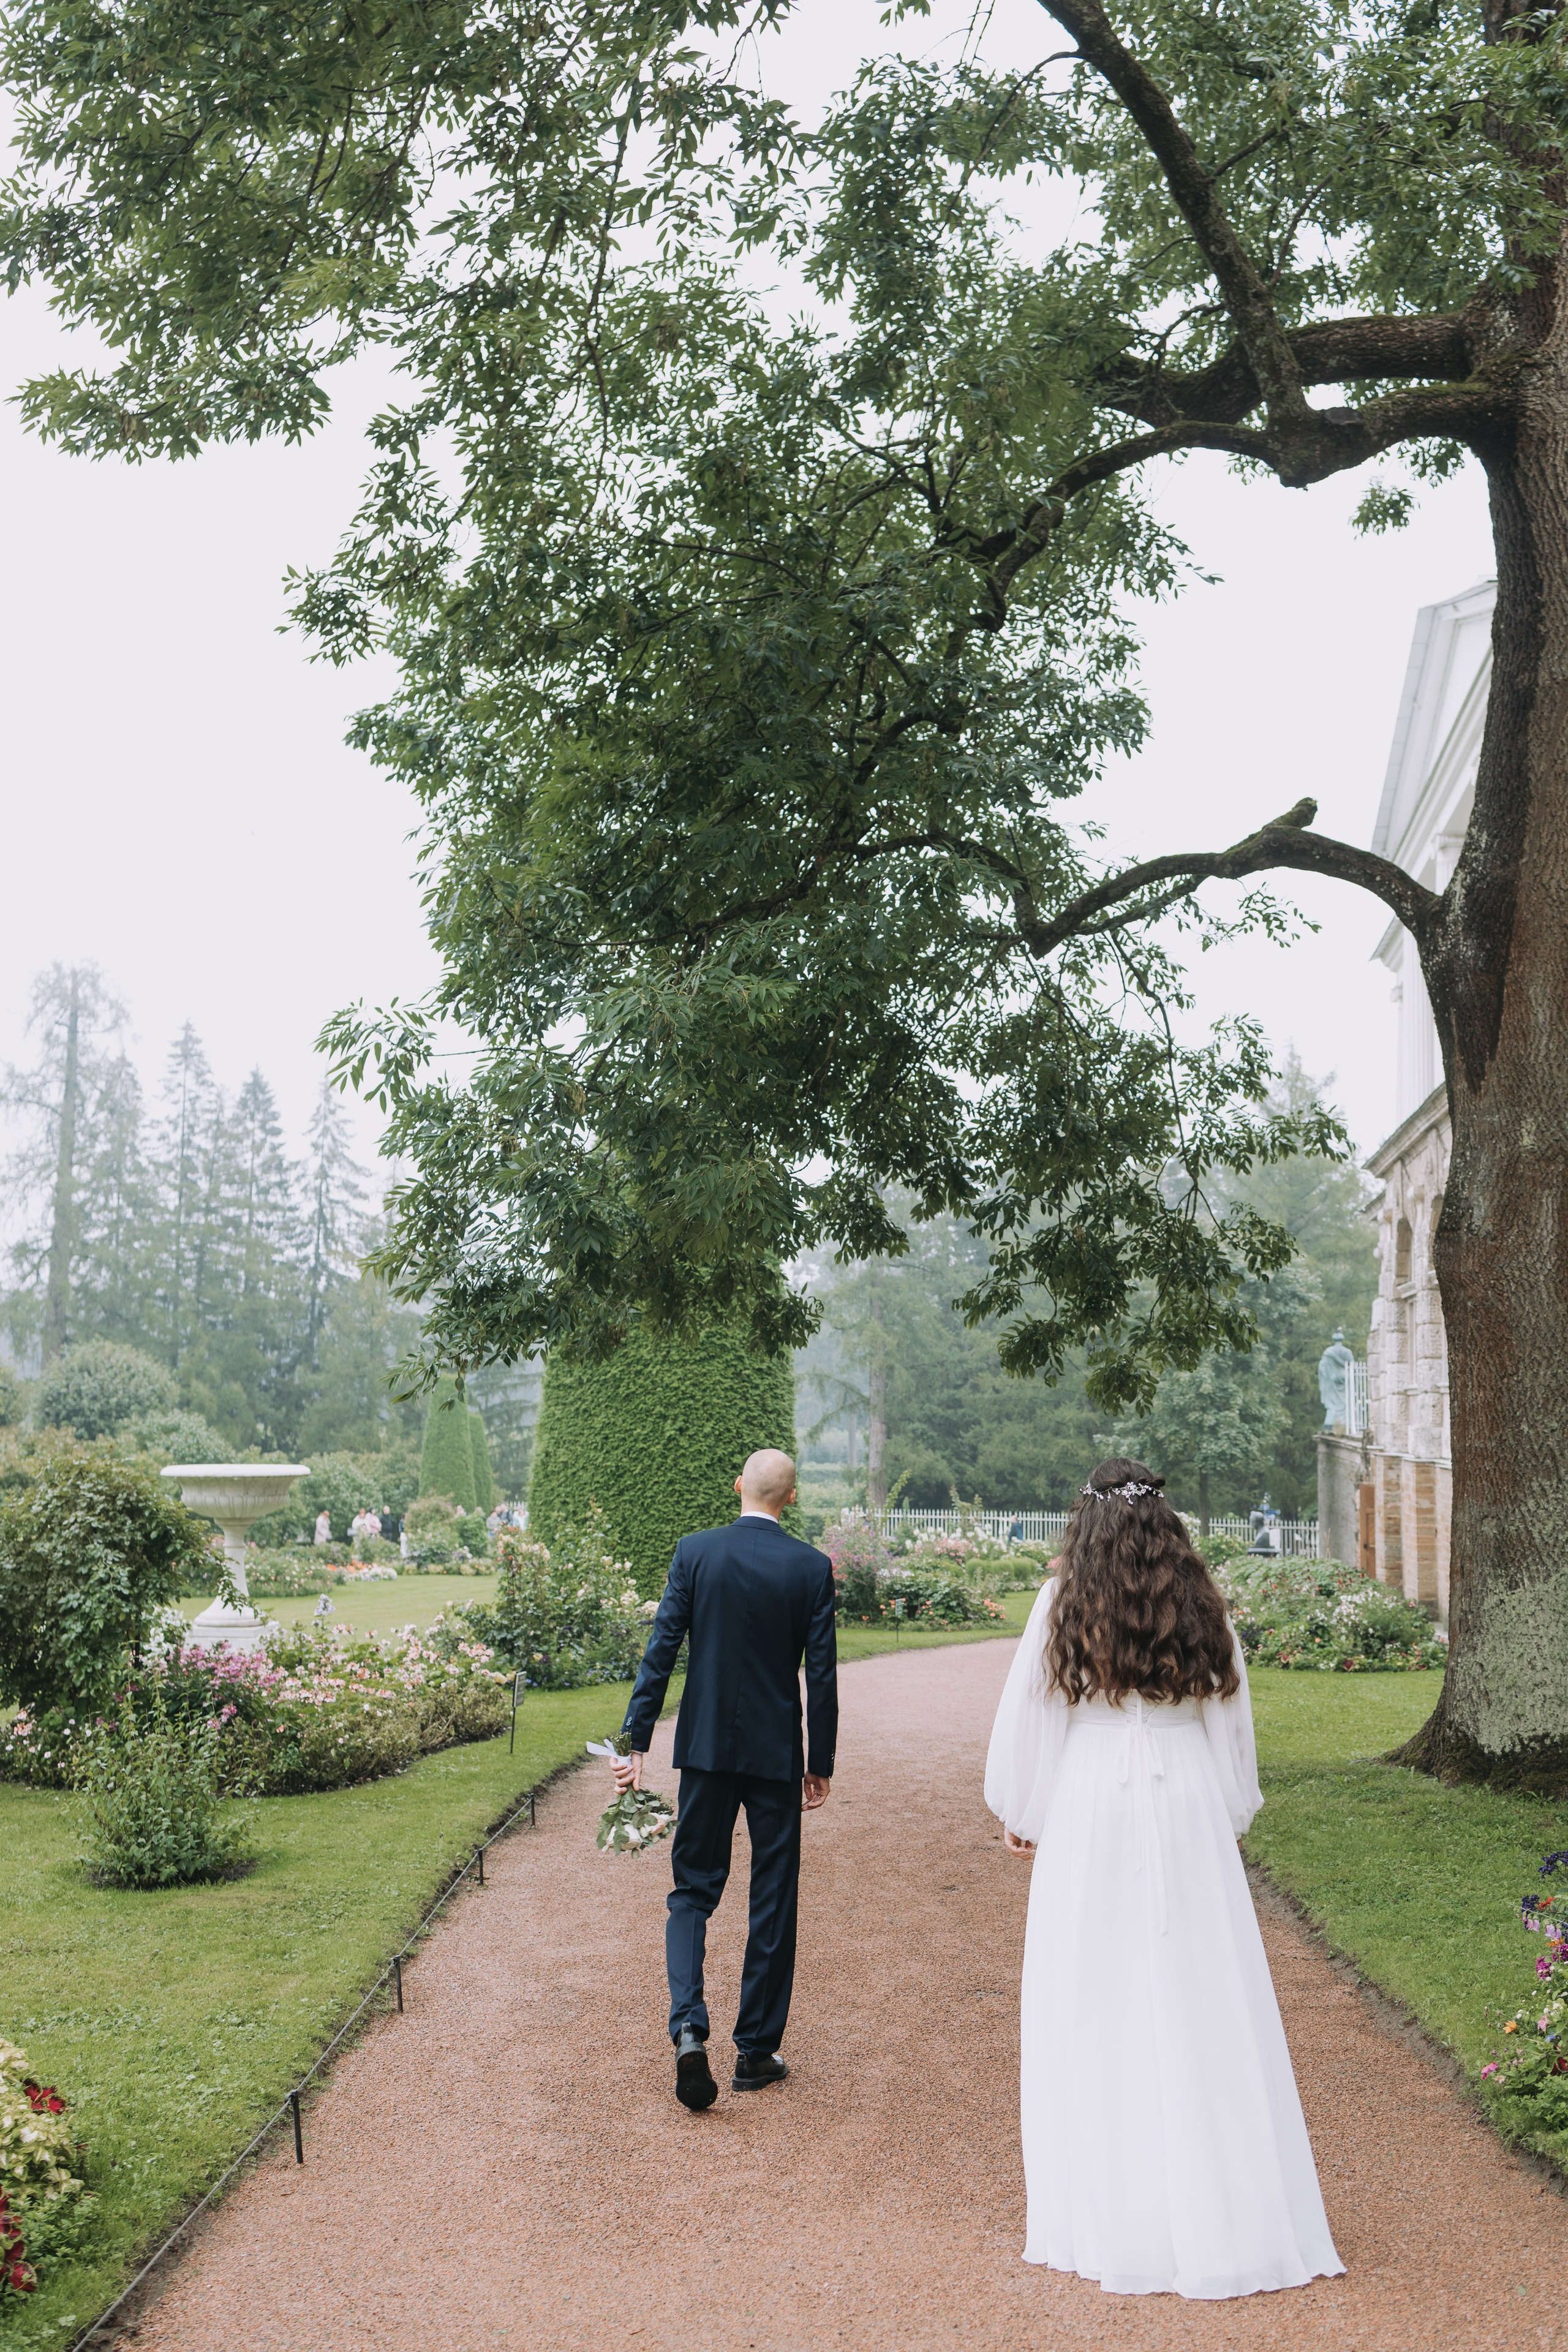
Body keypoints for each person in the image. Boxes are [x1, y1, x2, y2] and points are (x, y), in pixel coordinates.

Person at [986, 1456, 1343, 2300]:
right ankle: (1225, 2207)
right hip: (1183, 1803)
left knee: (1093, 1998)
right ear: (1165, 1523)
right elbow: (1233, 1718)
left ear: (1088, 1523)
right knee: (1201, 1994)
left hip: (1089, 1802)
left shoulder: (1061, 1603)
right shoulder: (1201, 1604)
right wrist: (1221, 1810)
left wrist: (1026, 1811)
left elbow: (1030, 1718)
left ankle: (1113, 2212)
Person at [612, 1447, 837, 2113]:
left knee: (691, 1892)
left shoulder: (695, 1552)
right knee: (772, 1896)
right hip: (773, 1758)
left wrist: (633, 1743)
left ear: (738, 1486)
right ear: (789, 1499)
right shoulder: (810, 1567)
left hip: (705, 1750)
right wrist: (817, 1761)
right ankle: (754, 2053)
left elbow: (661, 1651)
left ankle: (687, 2025)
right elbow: (820, 1675)